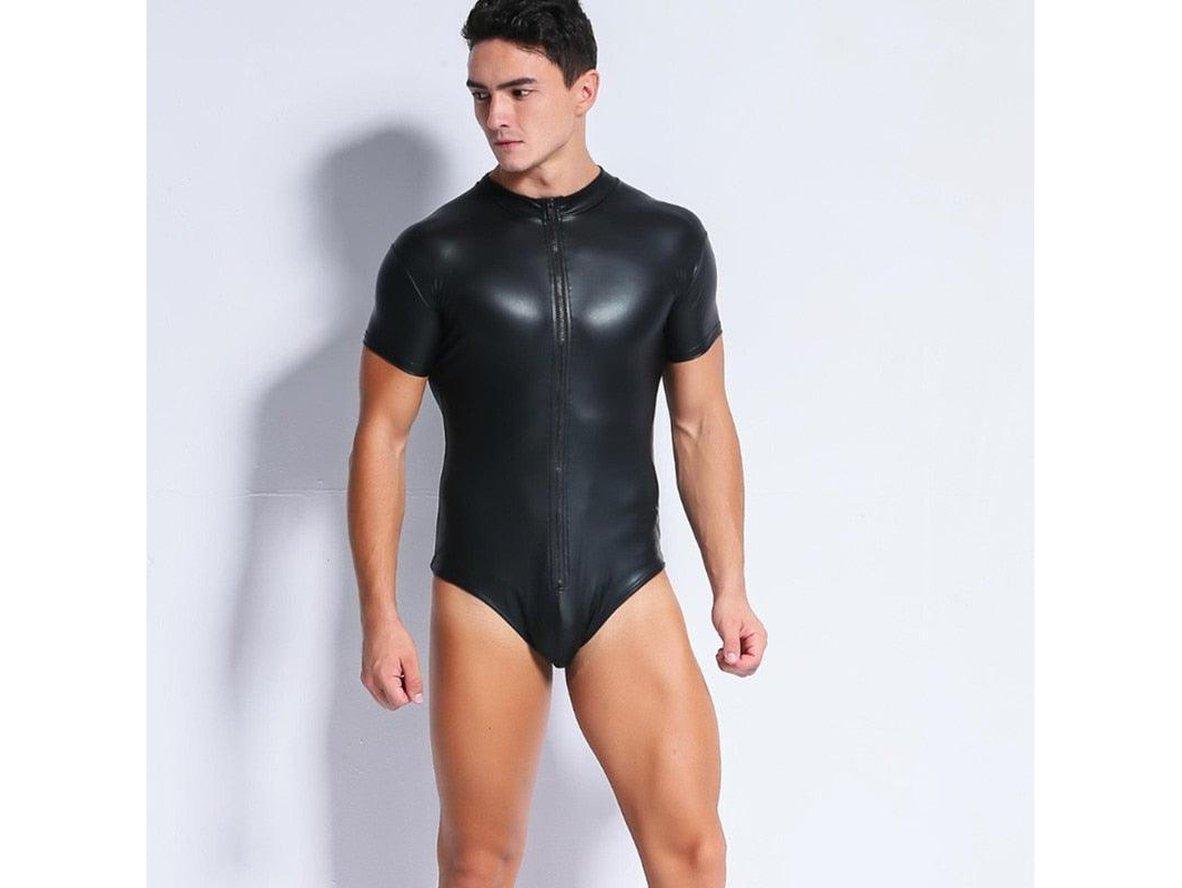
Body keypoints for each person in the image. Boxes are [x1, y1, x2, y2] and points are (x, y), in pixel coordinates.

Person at [347, 2, 767, 885]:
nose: (496, 116)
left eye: (520, 91)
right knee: (479, 862)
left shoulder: (668, 242)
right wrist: (380, 616)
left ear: (585, 90)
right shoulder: (434, 255)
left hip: (625, 580)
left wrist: (730, 586)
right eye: (480, 94)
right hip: (485, 586)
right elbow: (382, 436)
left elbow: (700, 421)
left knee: (693, 852)